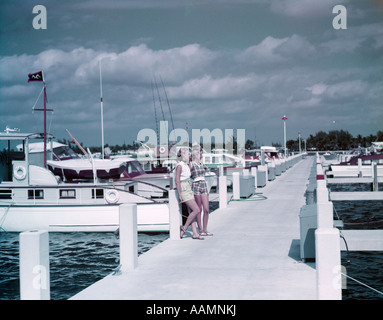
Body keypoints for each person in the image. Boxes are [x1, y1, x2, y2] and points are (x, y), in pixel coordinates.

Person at [175, 147, 204, 240]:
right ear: (183, 155)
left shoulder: (186, 165)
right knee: (196, 210)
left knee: (192, 212)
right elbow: (177, 181)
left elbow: (191, 170)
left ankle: (195, 233)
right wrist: (179, 194)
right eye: (188, 154)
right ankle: (184, 228)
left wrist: (190, 160)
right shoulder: (179, 165)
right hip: (184, 189)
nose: (190, 155)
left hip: (188, 187)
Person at [191, 146, 213, 236]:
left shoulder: (201, 163)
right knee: (199, 209)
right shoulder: (191, 163)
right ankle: (200, 230)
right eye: (199, 153)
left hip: (203, 184)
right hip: (196, 184)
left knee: (206, 209)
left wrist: (200, 149)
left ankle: (205, 229)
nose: (200, 154)